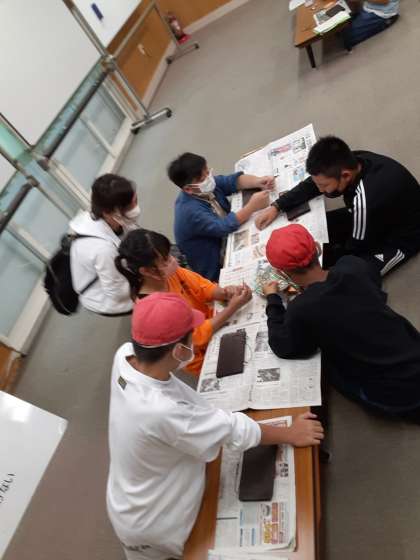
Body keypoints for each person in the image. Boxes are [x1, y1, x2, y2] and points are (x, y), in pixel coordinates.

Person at [106, 292, 324, 560]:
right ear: (179, 350)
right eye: (191, 335)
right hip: (155, 517)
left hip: (130, 492)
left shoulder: (125, 355)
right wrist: (290, 433)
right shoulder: (159, 410)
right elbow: (234, 430)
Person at [262, 223, 420, 422]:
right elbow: (376, 291)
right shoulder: (353, 265)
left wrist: (273, 300)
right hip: (413, 352)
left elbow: (283, 345)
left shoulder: (301, 309)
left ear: (283, 273)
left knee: (328, 366)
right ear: (317, 248)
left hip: (396, 396)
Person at [255, 136, 420, 276]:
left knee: (348, 274)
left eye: (324, 186)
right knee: (323, 227)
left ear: (346, 176)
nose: (320, 190)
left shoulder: (365, 202)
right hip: (380, 215)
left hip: (402, 237)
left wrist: (316, 258)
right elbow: (312, 184)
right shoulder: (354, 160)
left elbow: (356, 246)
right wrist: (277, 206)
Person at [115, 228, 252, 375]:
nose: (173, 260)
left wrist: (225, 293)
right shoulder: (154, 308)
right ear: (146, 271)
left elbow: (201, 286)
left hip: (213, 322)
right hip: (199, 354)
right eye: (165, 260)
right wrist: (232, 308)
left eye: (169, 254)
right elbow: (195, 337)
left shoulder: (168, 274)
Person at [168, 152, 274, 281]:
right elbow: (222, 227)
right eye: (202, 179)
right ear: (188, 189)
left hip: (224, 238)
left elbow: (230, 182)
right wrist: (251, 207)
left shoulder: (203, 187)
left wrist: (258, 181)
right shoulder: (190, 211)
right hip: (215, 263)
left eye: (208, 172)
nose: (208, 178)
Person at [69, 174, 140, 316]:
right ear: (108, 212)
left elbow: (131, 233)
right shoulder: (102, 250)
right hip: (107, 298)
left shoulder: (110, 216)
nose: (135, 208)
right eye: (128, 207)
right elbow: (117, 293)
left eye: (135, 201)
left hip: (114, 272)